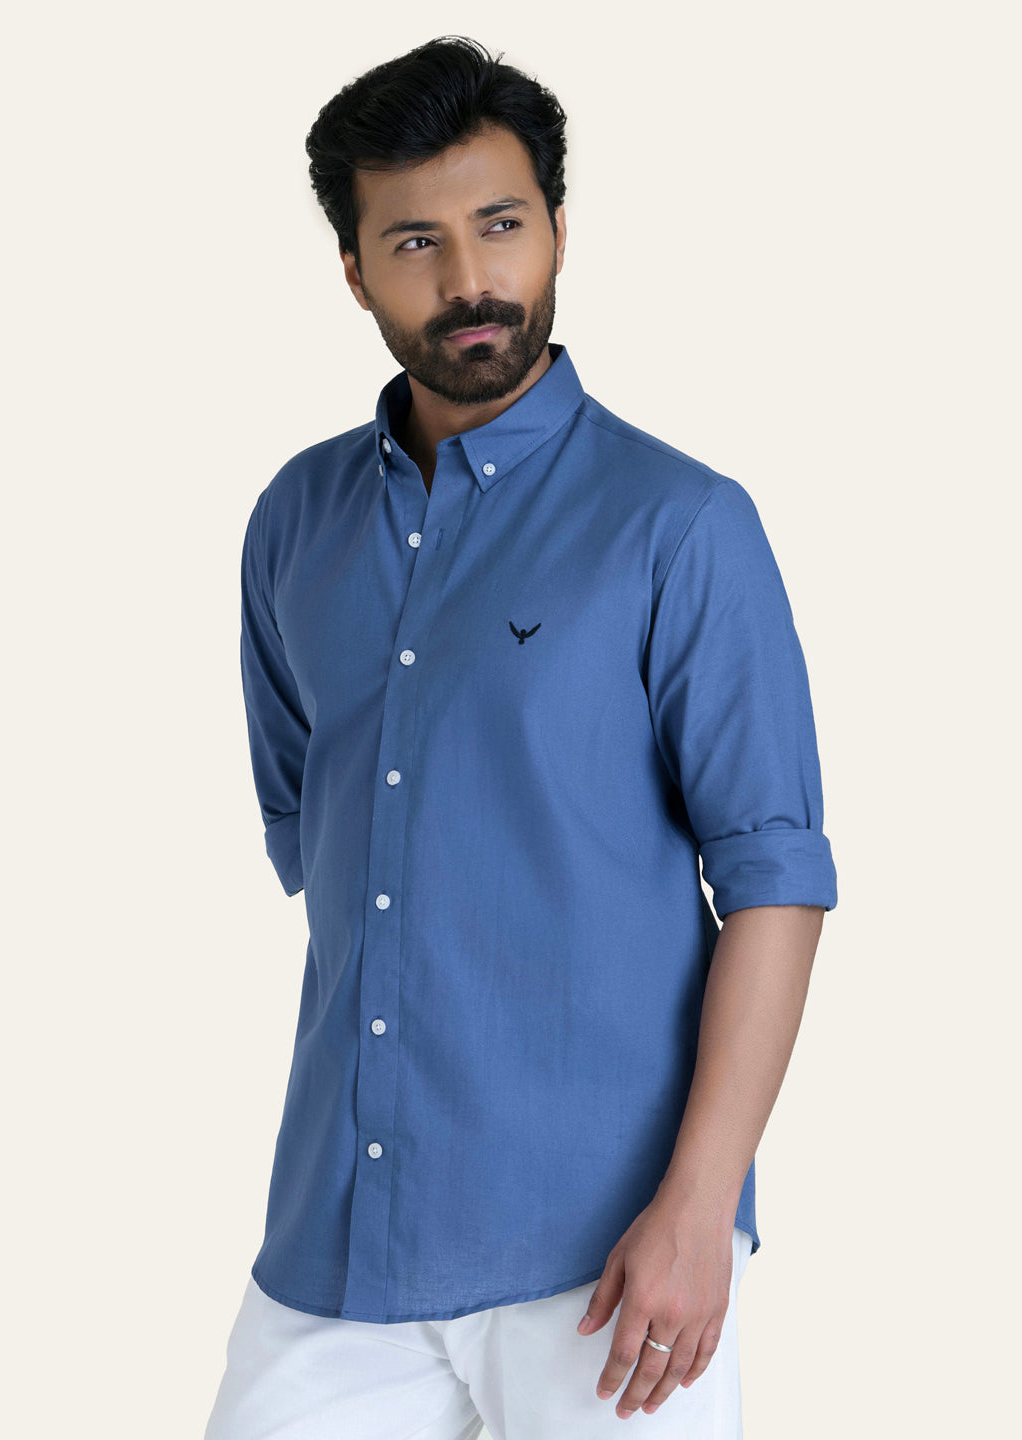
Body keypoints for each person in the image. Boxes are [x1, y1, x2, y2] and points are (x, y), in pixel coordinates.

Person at [204, 34, 837, 1440]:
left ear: (557, 226)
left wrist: (699, 1210)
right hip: (339, 1241)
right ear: (355, 271)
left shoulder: (681, 524)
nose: (468, 279)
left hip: (609, 1258)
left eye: (500, 224)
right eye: (414, 242)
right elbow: (320, 833)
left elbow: (775, 883)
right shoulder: (295, 523)